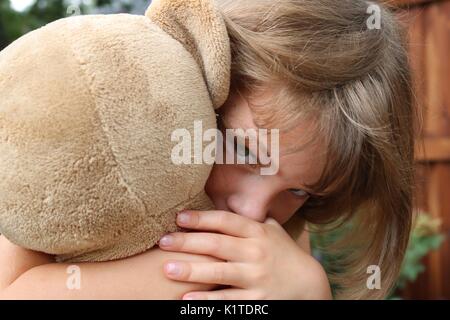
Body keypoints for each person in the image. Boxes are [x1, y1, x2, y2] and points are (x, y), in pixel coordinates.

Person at [0, 0, 419, 300]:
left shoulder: (278, 239)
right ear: (195, 83)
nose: (254, 212)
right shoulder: (79, 157)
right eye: (243, 149)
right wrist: (194, 277)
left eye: (301, 191)